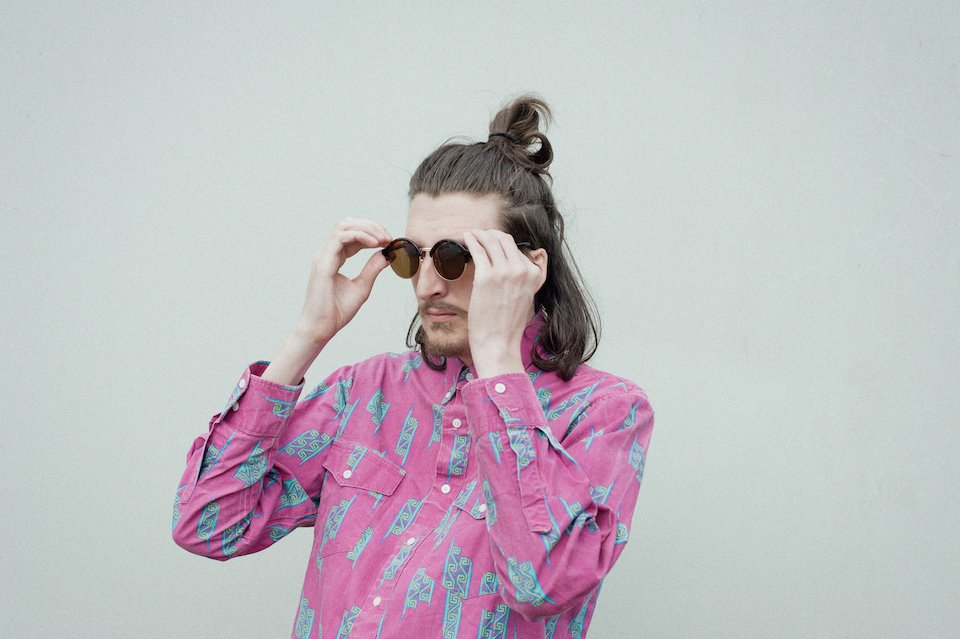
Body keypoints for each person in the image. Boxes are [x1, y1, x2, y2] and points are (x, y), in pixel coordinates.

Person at [172, 95, 654, 639]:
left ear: (528, 267)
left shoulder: (606, 414)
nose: (427, 286)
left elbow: (540, 585)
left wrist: (498, 365)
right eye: (412, 256)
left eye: (454, 257)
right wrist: (307, 336)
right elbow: (208, 525)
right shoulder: (364, 392)